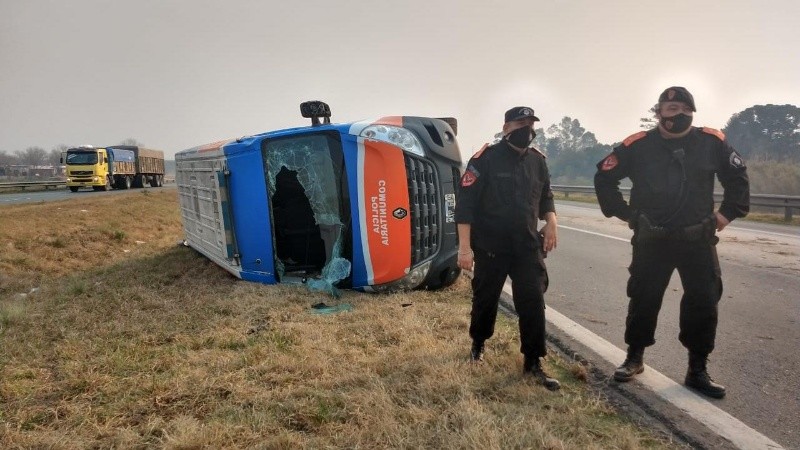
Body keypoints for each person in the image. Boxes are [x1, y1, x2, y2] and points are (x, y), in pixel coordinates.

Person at [594, 86, 750, 399]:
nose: (678, 114)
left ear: (692, 113)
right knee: (643, 297)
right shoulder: (638, 145)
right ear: (659, 113)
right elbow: (604, 178)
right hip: (653, 239)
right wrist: (627, 215)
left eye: (684, 109)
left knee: (704, 301)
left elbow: (738, 180)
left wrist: (723, 216)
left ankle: (697, 369)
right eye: (671, 109)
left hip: (698, 239)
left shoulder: (712, 143)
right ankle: (634, 357)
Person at [454, 106, 560, 391]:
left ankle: (533, 362)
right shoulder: (485, 159)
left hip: (526, 247)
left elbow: (546, 196)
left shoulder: (537, 161)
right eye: (519, 123)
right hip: (491, 247)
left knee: (533, 302)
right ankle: (478, 344)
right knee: (485, 300)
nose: (526, 128)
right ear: (506, 128)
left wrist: (551, 221)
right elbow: (465, 206)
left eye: (530, 123)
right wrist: (464, 249)